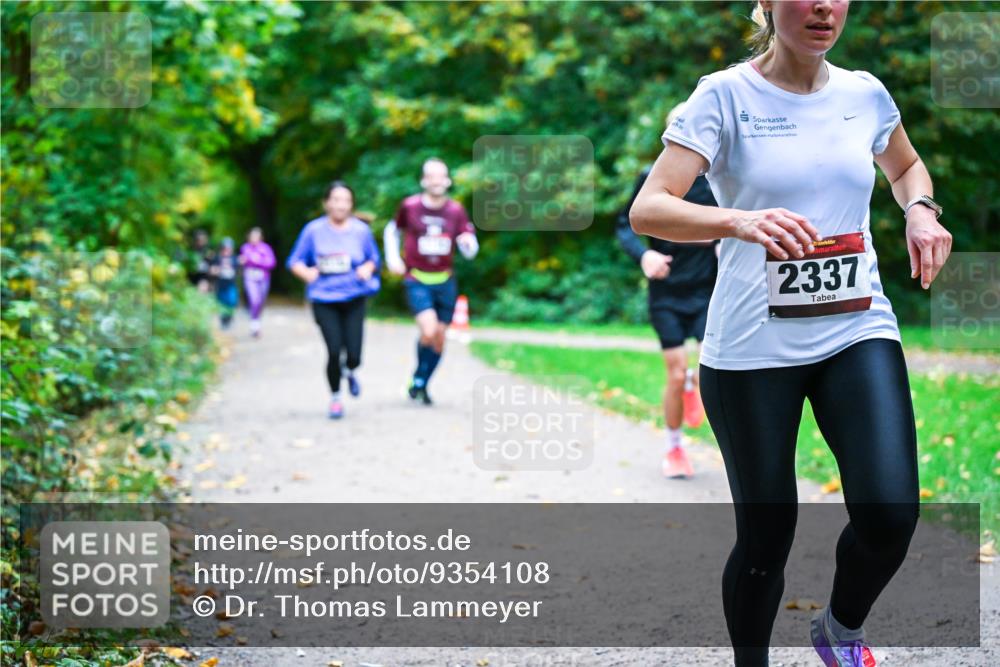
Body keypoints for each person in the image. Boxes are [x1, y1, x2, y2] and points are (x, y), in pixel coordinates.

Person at [629, 2, 952, 666]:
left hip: (856, 327)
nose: (825, 7)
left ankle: (840, 629)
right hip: (752, 345)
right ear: (770, 4)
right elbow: (649, 207)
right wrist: (738, 222)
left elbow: (905, 167)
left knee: (891, 513)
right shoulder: (723, 96)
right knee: (767, 536)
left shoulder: (864, 94)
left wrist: (919, 209)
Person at [617, 102, 719, 480]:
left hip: (708, 290)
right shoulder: (651, 177)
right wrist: (644, 258)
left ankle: (696, 383)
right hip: (667, 293)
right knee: (675, 374)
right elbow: (625, 225)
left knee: (714, 367)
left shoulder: (717, 180)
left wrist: (728, 243)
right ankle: (675, 447)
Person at [383, 157, 478, 405]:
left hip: (445, 279)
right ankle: (419, 381)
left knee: (439, 338)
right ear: (424, 180)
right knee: (429, 329)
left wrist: (468, 246)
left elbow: (468, 242)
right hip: (417, 277)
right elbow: (391, 230)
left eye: (441, 176)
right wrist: (393, 259)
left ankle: (420, 381)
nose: (436, 181)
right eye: (431, 176)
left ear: (447, 180)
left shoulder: (455, 210)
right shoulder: (410, 206)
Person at [287, 181, 380, 420]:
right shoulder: (313, 231)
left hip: (354, 297)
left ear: (351, 204)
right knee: (333, 349)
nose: (340, 205)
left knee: (354, 354)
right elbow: (295, 261)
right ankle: (336, 397)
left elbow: (373, 259)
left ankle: (350, 370)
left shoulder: (361, 231)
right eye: (336, 200)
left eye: (346, 200)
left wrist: (367, 269)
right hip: (324, 298)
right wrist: (307, 273)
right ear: (326, 203)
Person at [239, 227, 277, 338]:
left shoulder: (266, 248)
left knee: (260, 301)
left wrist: (255, 260)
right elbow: (243, 261)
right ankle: (254, 324)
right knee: (254, 299)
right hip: (250, 278)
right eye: (252, 236)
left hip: (263, 278)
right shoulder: (245, 248)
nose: (254, 239)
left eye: (256, 236)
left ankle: (257, 321)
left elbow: (271, 263)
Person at [211, 237, 239, 329]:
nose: (227, 250)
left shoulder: (234, 258)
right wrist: (217, 270)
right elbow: (212, 270)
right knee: (222, 303)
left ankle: (229, 317)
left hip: (231, 284)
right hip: (220, 284)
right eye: (226, 248)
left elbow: (238, 270)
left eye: (229, 248)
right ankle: (224, 321)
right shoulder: (217, 258)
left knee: (232, 301)